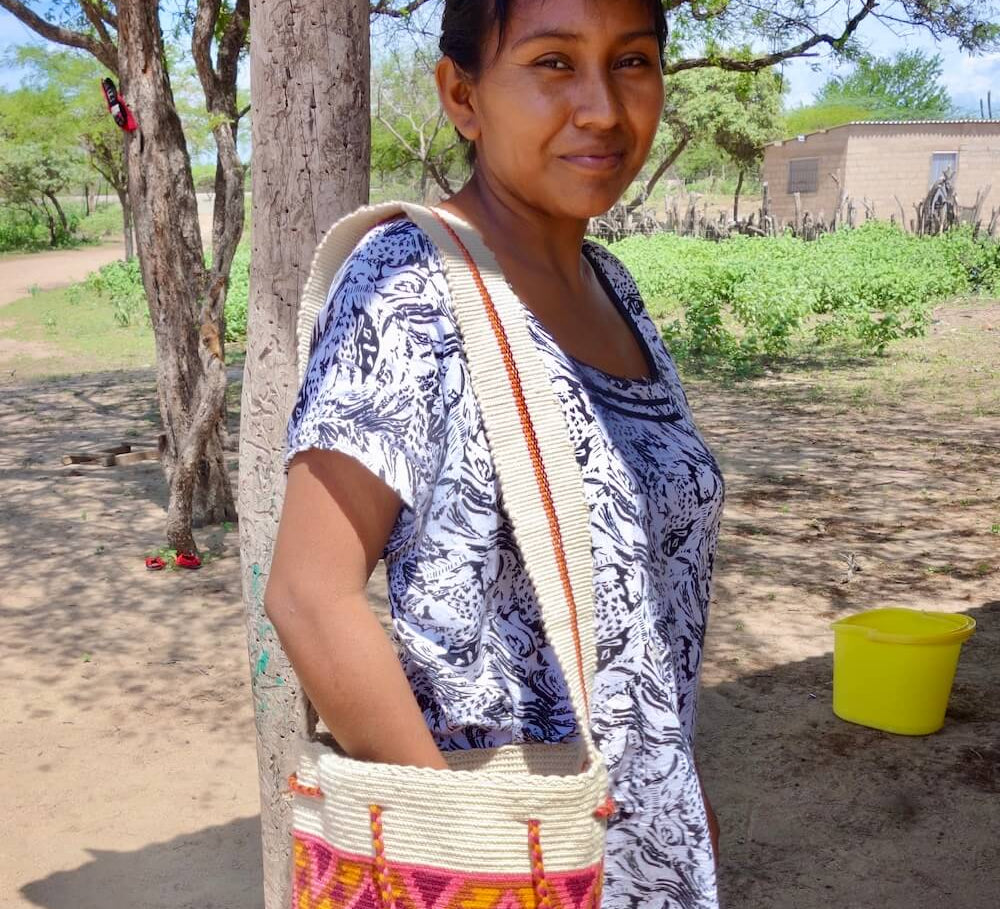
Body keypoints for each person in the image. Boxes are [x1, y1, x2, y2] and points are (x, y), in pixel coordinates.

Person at [265, 1, 726, 906]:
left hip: (644, 857)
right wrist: (462, 862)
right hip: (507, 868)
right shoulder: (409, 288)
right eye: (553, 63)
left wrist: (680, 800)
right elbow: (309, 595)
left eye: (631, 62)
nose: (601, 106)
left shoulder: (613, 286)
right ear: (462, 95)